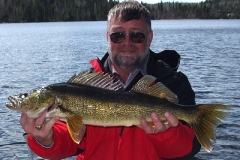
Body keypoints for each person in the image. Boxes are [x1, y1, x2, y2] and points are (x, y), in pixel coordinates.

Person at [20, 1, 201, 160]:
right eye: (118, 35)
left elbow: (188, 149)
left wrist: (166, 133)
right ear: (107, 37)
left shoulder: (173, 82)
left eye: (137, 35)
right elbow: (68, 142)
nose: (127, 42)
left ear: (150, 37)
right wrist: (46, 139)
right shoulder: (83, 86)